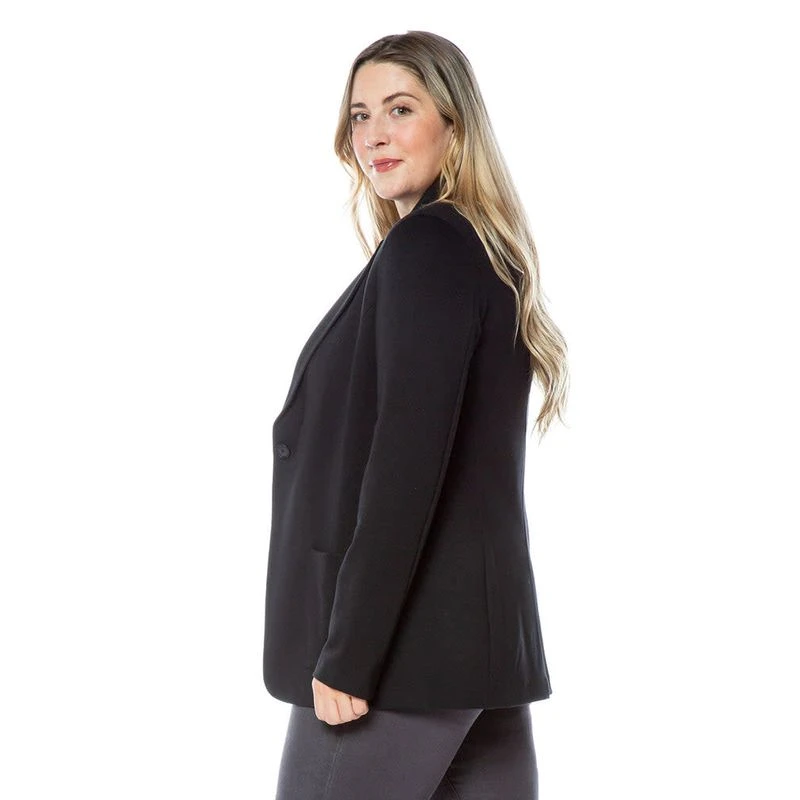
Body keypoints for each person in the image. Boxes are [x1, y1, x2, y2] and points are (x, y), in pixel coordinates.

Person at [262, 30, 569, 799]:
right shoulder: (482, 251)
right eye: (360, 115)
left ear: (454, 126)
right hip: (481, 653)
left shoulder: (428, 247)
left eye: (400, 109)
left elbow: (406, 466)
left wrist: (350, 653)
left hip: (402, 654)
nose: (374, 134)